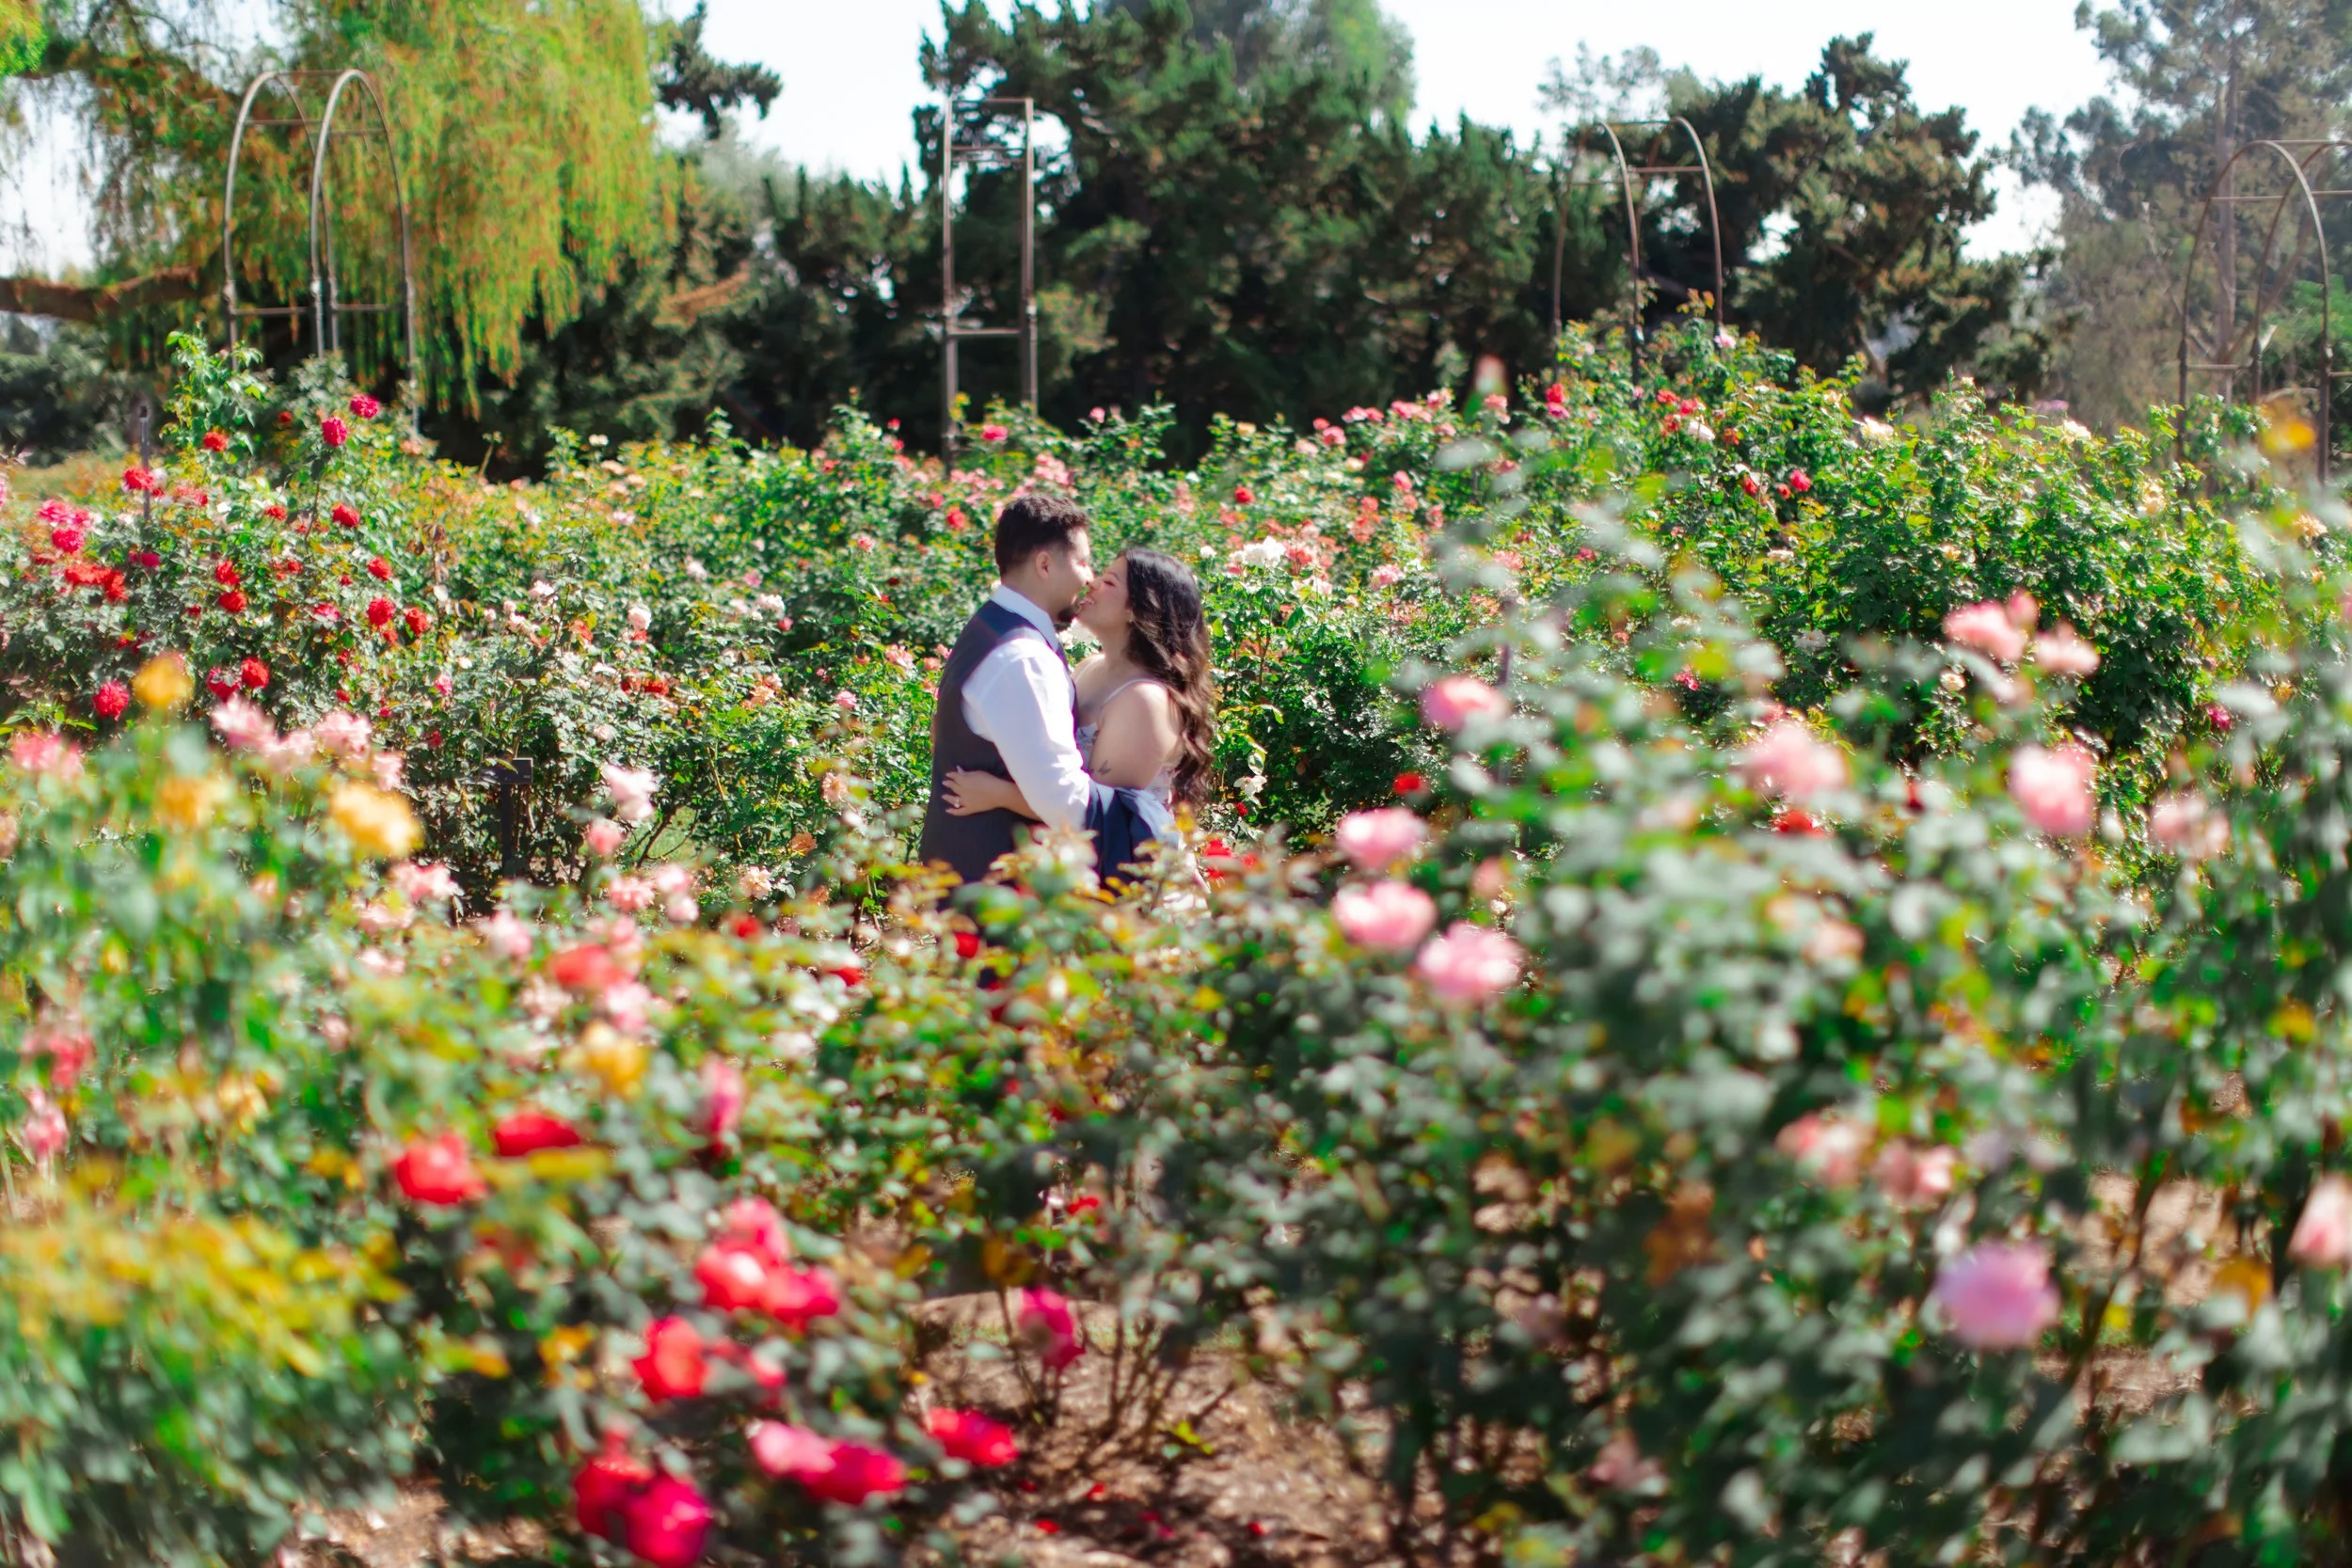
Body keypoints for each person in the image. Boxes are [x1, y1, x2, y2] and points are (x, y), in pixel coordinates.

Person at [940, 545, 1216, 867]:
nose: (1092, 583)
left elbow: (1104, 817)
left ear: (1139, 610)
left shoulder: (1145, 701)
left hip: (1136, 884)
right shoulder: (1090, 668)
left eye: (1110, 582)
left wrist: (998, 794)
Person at [917, 493, 1099, 886]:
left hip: (967, 874)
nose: (1090, 578)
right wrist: (1138, 818)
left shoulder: (991, 625)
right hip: (995, 887)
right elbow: (1062, 798)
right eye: (1083, 562)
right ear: (1045, 564)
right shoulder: (1024, 658)